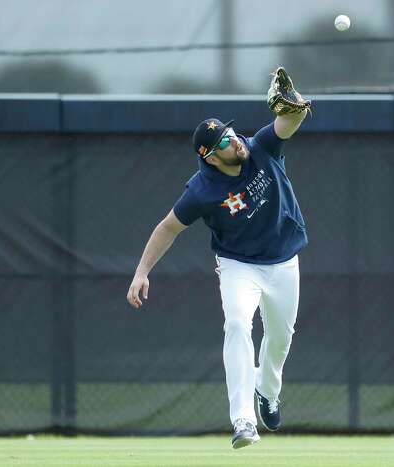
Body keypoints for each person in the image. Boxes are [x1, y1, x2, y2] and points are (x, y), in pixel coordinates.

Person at [126, 68, 310, 449]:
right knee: (239, 325)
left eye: (230, 132)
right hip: (238, 264)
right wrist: (142, 271)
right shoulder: (202, 191)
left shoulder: (261, 146)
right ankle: (243, 420)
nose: (234, 140)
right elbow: (167, 228)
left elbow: (290, 119)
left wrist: (291, 101)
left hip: (283, 259)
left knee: (279, 338)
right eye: (224, 140)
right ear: (208, 157)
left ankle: (268, 392)